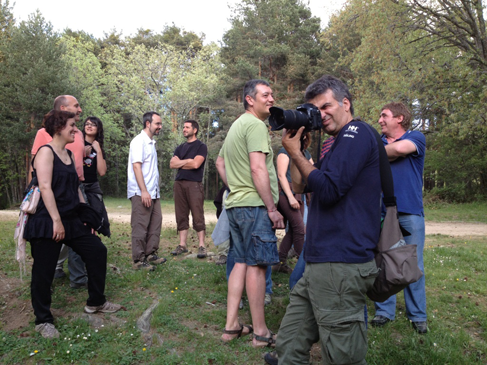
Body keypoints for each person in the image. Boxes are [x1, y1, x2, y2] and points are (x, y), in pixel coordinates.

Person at [269, 75, 381, 365]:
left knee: (343, 357)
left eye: (326, 105)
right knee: (289, 344)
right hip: (319, 263)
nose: (321, 114)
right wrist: (298, 152)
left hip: (341, 265)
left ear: (346, 103)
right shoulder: (335, 144)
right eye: (315, 109)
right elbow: (302, 187)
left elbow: (330, 191)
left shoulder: (358, 132)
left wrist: (295, 154)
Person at [24, 110, 122, 339]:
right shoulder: (45, 153)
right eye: (72, 126)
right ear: (59, 127)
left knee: (97, 251)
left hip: (71, 218)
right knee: (43, 270)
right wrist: (56, 222)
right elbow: (45, 187)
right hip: (47, 220)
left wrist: (85, 213)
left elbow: (75, 186)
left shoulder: (68, 153)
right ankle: (43, 320)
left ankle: (96, 302)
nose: (76, 130)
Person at [216, 79, 284, 347]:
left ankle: (231, 326)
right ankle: (261, 333)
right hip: (254, 207)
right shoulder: (256, 125)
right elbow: (258, 169)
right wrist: (271, 208)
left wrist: (235, 188)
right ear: (249, 99)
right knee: (256, 265)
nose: (271, 99)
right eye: (265, 95)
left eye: (272, 94)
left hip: (235, 205)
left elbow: (220, 161)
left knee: (241, 262)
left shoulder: (237, 125)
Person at [371, 102, 427, 334]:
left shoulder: (416, 137)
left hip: (410, 211)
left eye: (384, 116)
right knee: (382, 261)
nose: (380, 120)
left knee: (412, 262)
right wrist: (382, 152)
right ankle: (384, 311)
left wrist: (375, 154)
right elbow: (388, 155)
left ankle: (418, 315)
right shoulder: (379, 141)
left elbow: (400, 150)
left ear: (400, 118)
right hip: (381, 212)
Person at [30, 95, 87, 289]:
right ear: (62, 109)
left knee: (84, 239)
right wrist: (34, 191)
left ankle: (79, 279)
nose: (80, 109)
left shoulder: (76, 133)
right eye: (76, 106)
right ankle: (54, 269)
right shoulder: (45, 138)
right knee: (52, 242)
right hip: (52, 196)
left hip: (75, 188)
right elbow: (41, 175)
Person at [127, 111, 166, 271]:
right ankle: (138, 260)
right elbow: (137, 166)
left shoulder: (151, 142)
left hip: (153, 192)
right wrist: (143, 191)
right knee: (140, 225)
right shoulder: (138, 141)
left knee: (156, 223)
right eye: (157, 123)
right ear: (148, 123)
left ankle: (150, 254)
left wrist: (152, 191)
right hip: (141, 192)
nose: (160, 127)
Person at [273, 132, 313, 274]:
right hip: (285, 193)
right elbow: (281, 175)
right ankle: (305, 267)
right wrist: (290, 197)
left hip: (300, 193)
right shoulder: (284, 152)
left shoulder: (306, 153)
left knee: (294, 230)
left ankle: (280, 262)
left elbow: (312, 172)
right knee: (300, 229)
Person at [169, 120, 208, 258]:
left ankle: (202, 246)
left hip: (194, 184)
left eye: (187, 127)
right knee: (181, 214)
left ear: (195, 130)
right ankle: (182, 245)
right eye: (183, 127)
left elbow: (196, 164)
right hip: (179, 184)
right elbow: (172, 164)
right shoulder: (180, 148)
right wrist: (188, 161)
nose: (184, 129)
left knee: (197, 214)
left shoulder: (201, 146)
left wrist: (181, 163)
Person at [81, 117, 110, 235]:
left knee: (97, 216)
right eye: (87, 124)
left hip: (92, 186)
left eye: (93, 125)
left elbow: (102, 172)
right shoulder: (77, 142)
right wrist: (82, 152)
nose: (89, 126)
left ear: (98, 129)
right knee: (82, 216)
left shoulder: (99, 147)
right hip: (79, 185)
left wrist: (98, 151)